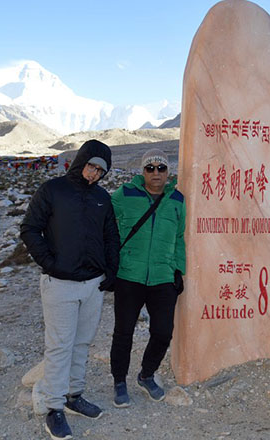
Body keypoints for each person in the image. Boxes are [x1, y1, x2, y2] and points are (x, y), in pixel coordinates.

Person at [20, 139, 119, 440]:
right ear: (81, 162)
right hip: (60, 284)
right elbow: (29, 229)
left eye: (101, 170)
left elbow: (111, 237)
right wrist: (50, 263)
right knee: (60, 345)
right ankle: (54, 408)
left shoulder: (102, 197)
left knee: (82, 342)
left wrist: (111, 270)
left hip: (92, 284)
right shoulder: (53, 190)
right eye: (91, 166)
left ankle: (75, 395)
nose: (94, 173)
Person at [109, 148, 186, 407]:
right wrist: (111, 263)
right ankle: (120, 381)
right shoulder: (125, 195)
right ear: (142, 171)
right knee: (123, 332)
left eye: (161, 168)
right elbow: (105, 224)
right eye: (150, 168)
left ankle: (146, 374)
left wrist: (178, 269)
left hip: (163, 278)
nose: (156, 173)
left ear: (168, 172)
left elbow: (179, 238)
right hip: (129, 276)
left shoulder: (177, 199)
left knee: (163, 332)